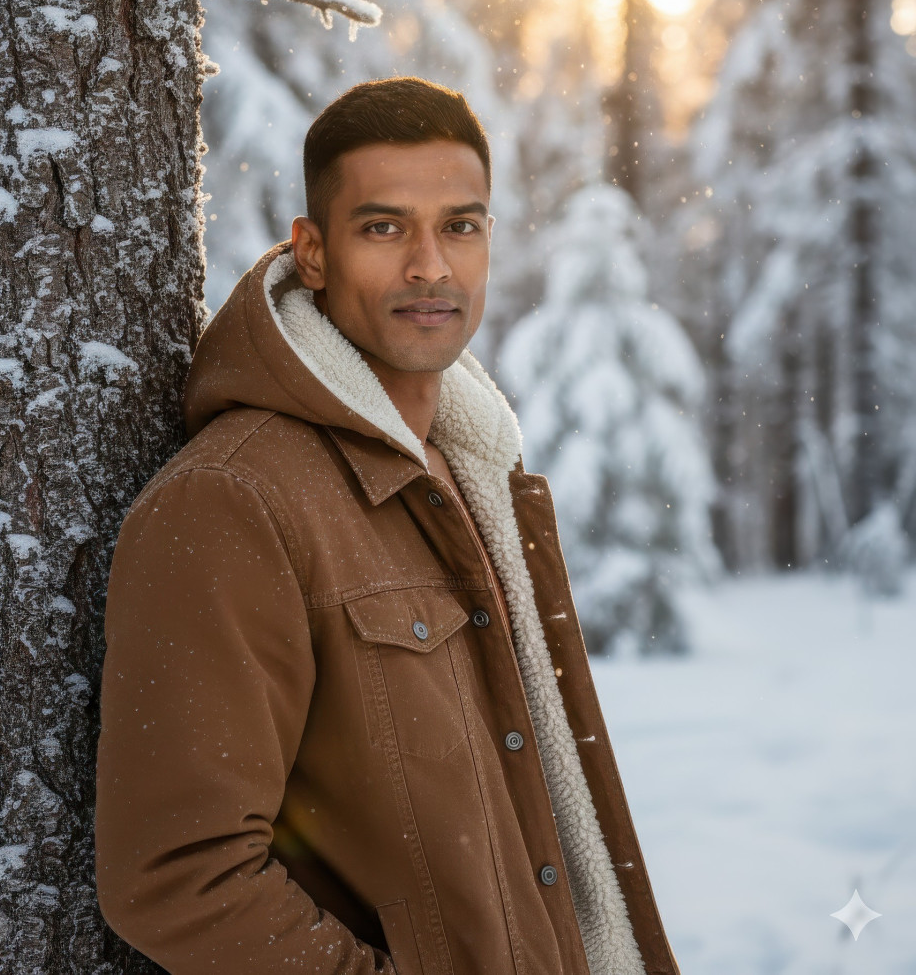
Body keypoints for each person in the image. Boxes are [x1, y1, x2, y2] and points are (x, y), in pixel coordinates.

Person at [95, 77, 680, 975]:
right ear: (313, 252)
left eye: (460, 225)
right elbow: (177, 876)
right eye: (383, 227)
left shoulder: (471, 475)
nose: (430, 266)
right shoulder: (234, 497)